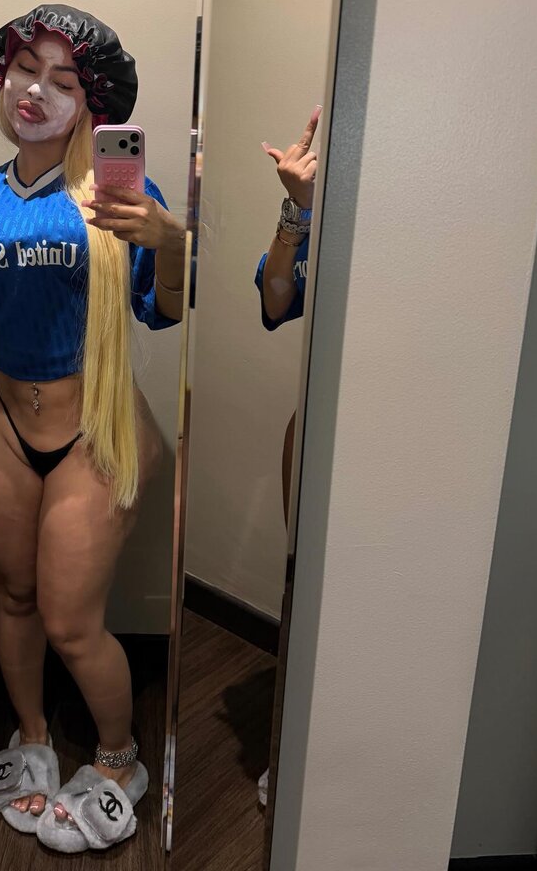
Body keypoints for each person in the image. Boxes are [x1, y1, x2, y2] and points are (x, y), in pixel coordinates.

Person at [0, 4, 186, 854]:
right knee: (16, 596)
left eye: (62, 80)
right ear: (1, 79)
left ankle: (119, 759)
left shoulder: (118, 193)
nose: (36, 91)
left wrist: (171, 242)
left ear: (92, 103)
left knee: (71, 620)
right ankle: (32, 736)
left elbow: (166, 311)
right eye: (25, 70)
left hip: (94, 426)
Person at [254, 105, 320, 807]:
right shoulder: (333, 213)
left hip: (409, 441)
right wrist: (297, 210)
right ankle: (295, 747)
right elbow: (276, 302)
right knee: (307, 590)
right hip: (319, 423)